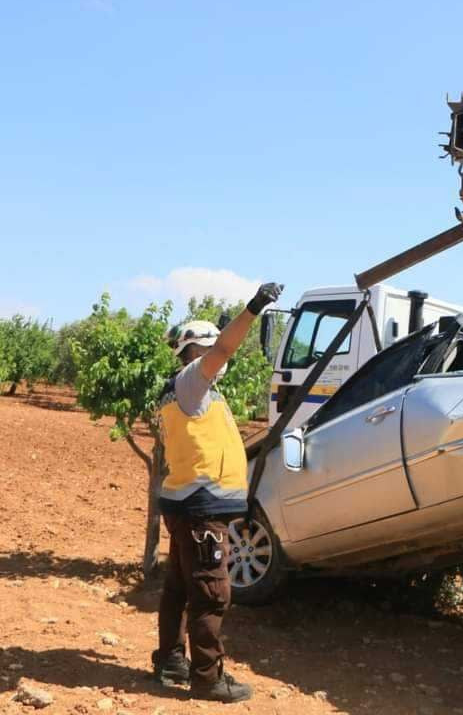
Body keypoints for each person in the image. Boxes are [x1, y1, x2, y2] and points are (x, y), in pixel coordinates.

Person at [149, 282, 282, 703]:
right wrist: (254, 308)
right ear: (194, 353)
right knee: (210, 592)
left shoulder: (194, 391)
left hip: (189, 504)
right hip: (201, 510)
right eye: (207, 348)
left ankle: (170, 660)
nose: (218, 357)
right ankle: (207, 678)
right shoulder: (191, 382)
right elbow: (224, 349)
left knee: (179, 587)